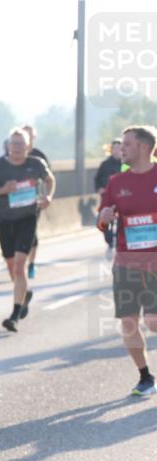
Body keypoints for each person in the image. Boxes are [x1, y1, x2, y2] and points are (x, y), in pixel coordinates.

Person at [97, 125, 157, 397]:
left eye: (127, 144)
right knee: (129, 323)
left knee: (153, 321)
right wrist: (104, 218)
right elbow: (102, 220)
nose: (121, 149)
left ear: (144, 147)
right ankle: (145, 377)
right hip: (126, 261)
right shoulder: (116, 182)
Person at [0, 127, 55, 332]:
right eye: (14, 144)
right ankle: (24, 293)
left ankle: (14, 314)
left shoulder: (36, 164)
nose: (17, 147)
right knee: (11, 265)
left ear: (28, 146)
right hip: (4, 219)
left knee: (20, 265)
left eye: (21, 144)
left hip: (27, 218)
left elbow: (49, 179)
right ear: (8, 146)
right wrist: (4, 189)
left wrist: (48, 196)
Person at [21, 124, 50, 279]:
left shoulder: (38, 156)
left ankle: (31, 263)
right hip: (15, 202)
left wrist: (46, 196)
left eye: (30, 135)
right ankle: (20, 260)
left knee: (31, 232)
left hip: (34, 201)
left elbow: (48, 178)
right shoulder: (13, 154)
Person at [96, 139, 124, 260]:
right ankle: (110, 242)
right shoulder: (105, 164)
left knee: (122, 223)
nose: (117, 151)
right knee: (103, 221)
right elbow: (97, 179)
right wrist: (99, 189)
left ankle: (118, 245)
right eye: (114, 149)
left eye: (119, 148)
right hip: (108, 198)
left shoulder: (127, 164)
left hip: (123, 198)